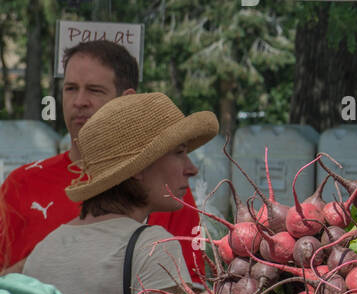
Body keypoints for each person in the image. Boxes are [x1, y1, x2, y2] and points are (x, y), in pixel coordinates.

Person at [22, 93, 216, 294]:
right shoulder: (153, 247)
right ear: (138, 168)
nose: (191, 167)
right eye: (179, 152)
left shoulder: (43, 251)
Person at [0, 41, 206, 280]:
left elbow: (190, 293)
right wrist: (41, 264)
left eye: (94, 90)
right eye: (70, 88)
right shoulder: (22, 184)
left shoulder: (166, 189)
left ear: (127, 100)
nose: (79, 101)